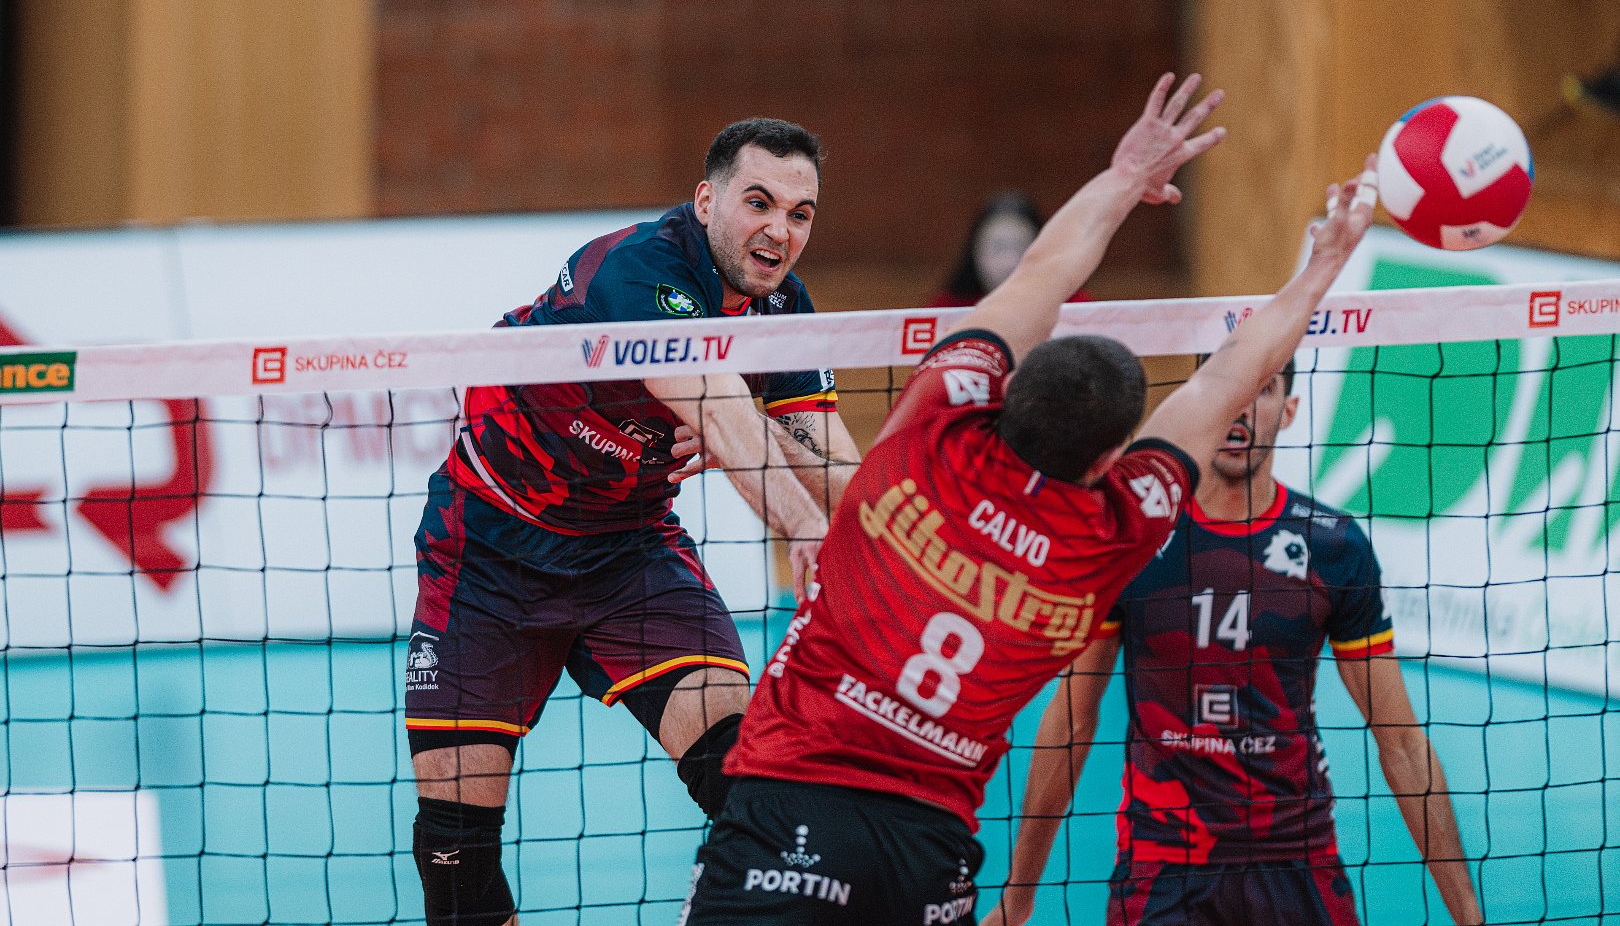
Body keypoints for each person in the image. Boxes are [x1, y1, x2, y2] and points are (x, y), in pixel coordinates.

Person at [680, 72, 1380, 925]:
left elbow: (1045, 270)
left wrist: (1126, 178)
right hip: (929, 851)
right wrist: (1324, 266)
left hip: (787, 801)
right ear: (1115, 458)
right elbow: (1227, 380)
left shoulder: (930, 431)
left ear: (1003, 392)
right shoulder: (1116, 532)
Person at [405, 118, 861, 926]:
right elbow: (712, 400)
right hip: (489, 549)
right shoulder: (635, 271)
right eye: (759, 203)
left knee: (750, 784)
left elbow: (834, 466)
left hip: (629, 555)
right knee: (456, 861)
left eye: (800, 214)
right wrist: (801, 527)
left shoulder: (784, 312)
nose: (779, 231)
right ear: (706, 201)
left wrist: (889, 538)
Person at [984, 353, 1484, 926]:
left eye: (1263, 389)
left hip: (1296, 857)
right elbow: (1071, 722)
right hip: (1163, 864)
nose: (1242, 407)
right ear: (1198, 402)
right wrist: (1018, 899)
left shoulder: (1333, 548)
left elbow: (1402, 743)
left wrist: (1468, 917)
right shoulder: (1134, 536)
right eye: (1228, 385)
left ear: (1289, 410)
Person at [931, 191, 1092, 307]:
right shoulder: (945, 309)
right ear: (974, 253)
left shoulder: (1073, 306)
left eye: (1022, 248)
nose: (1010, 262)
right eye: (998, 249)